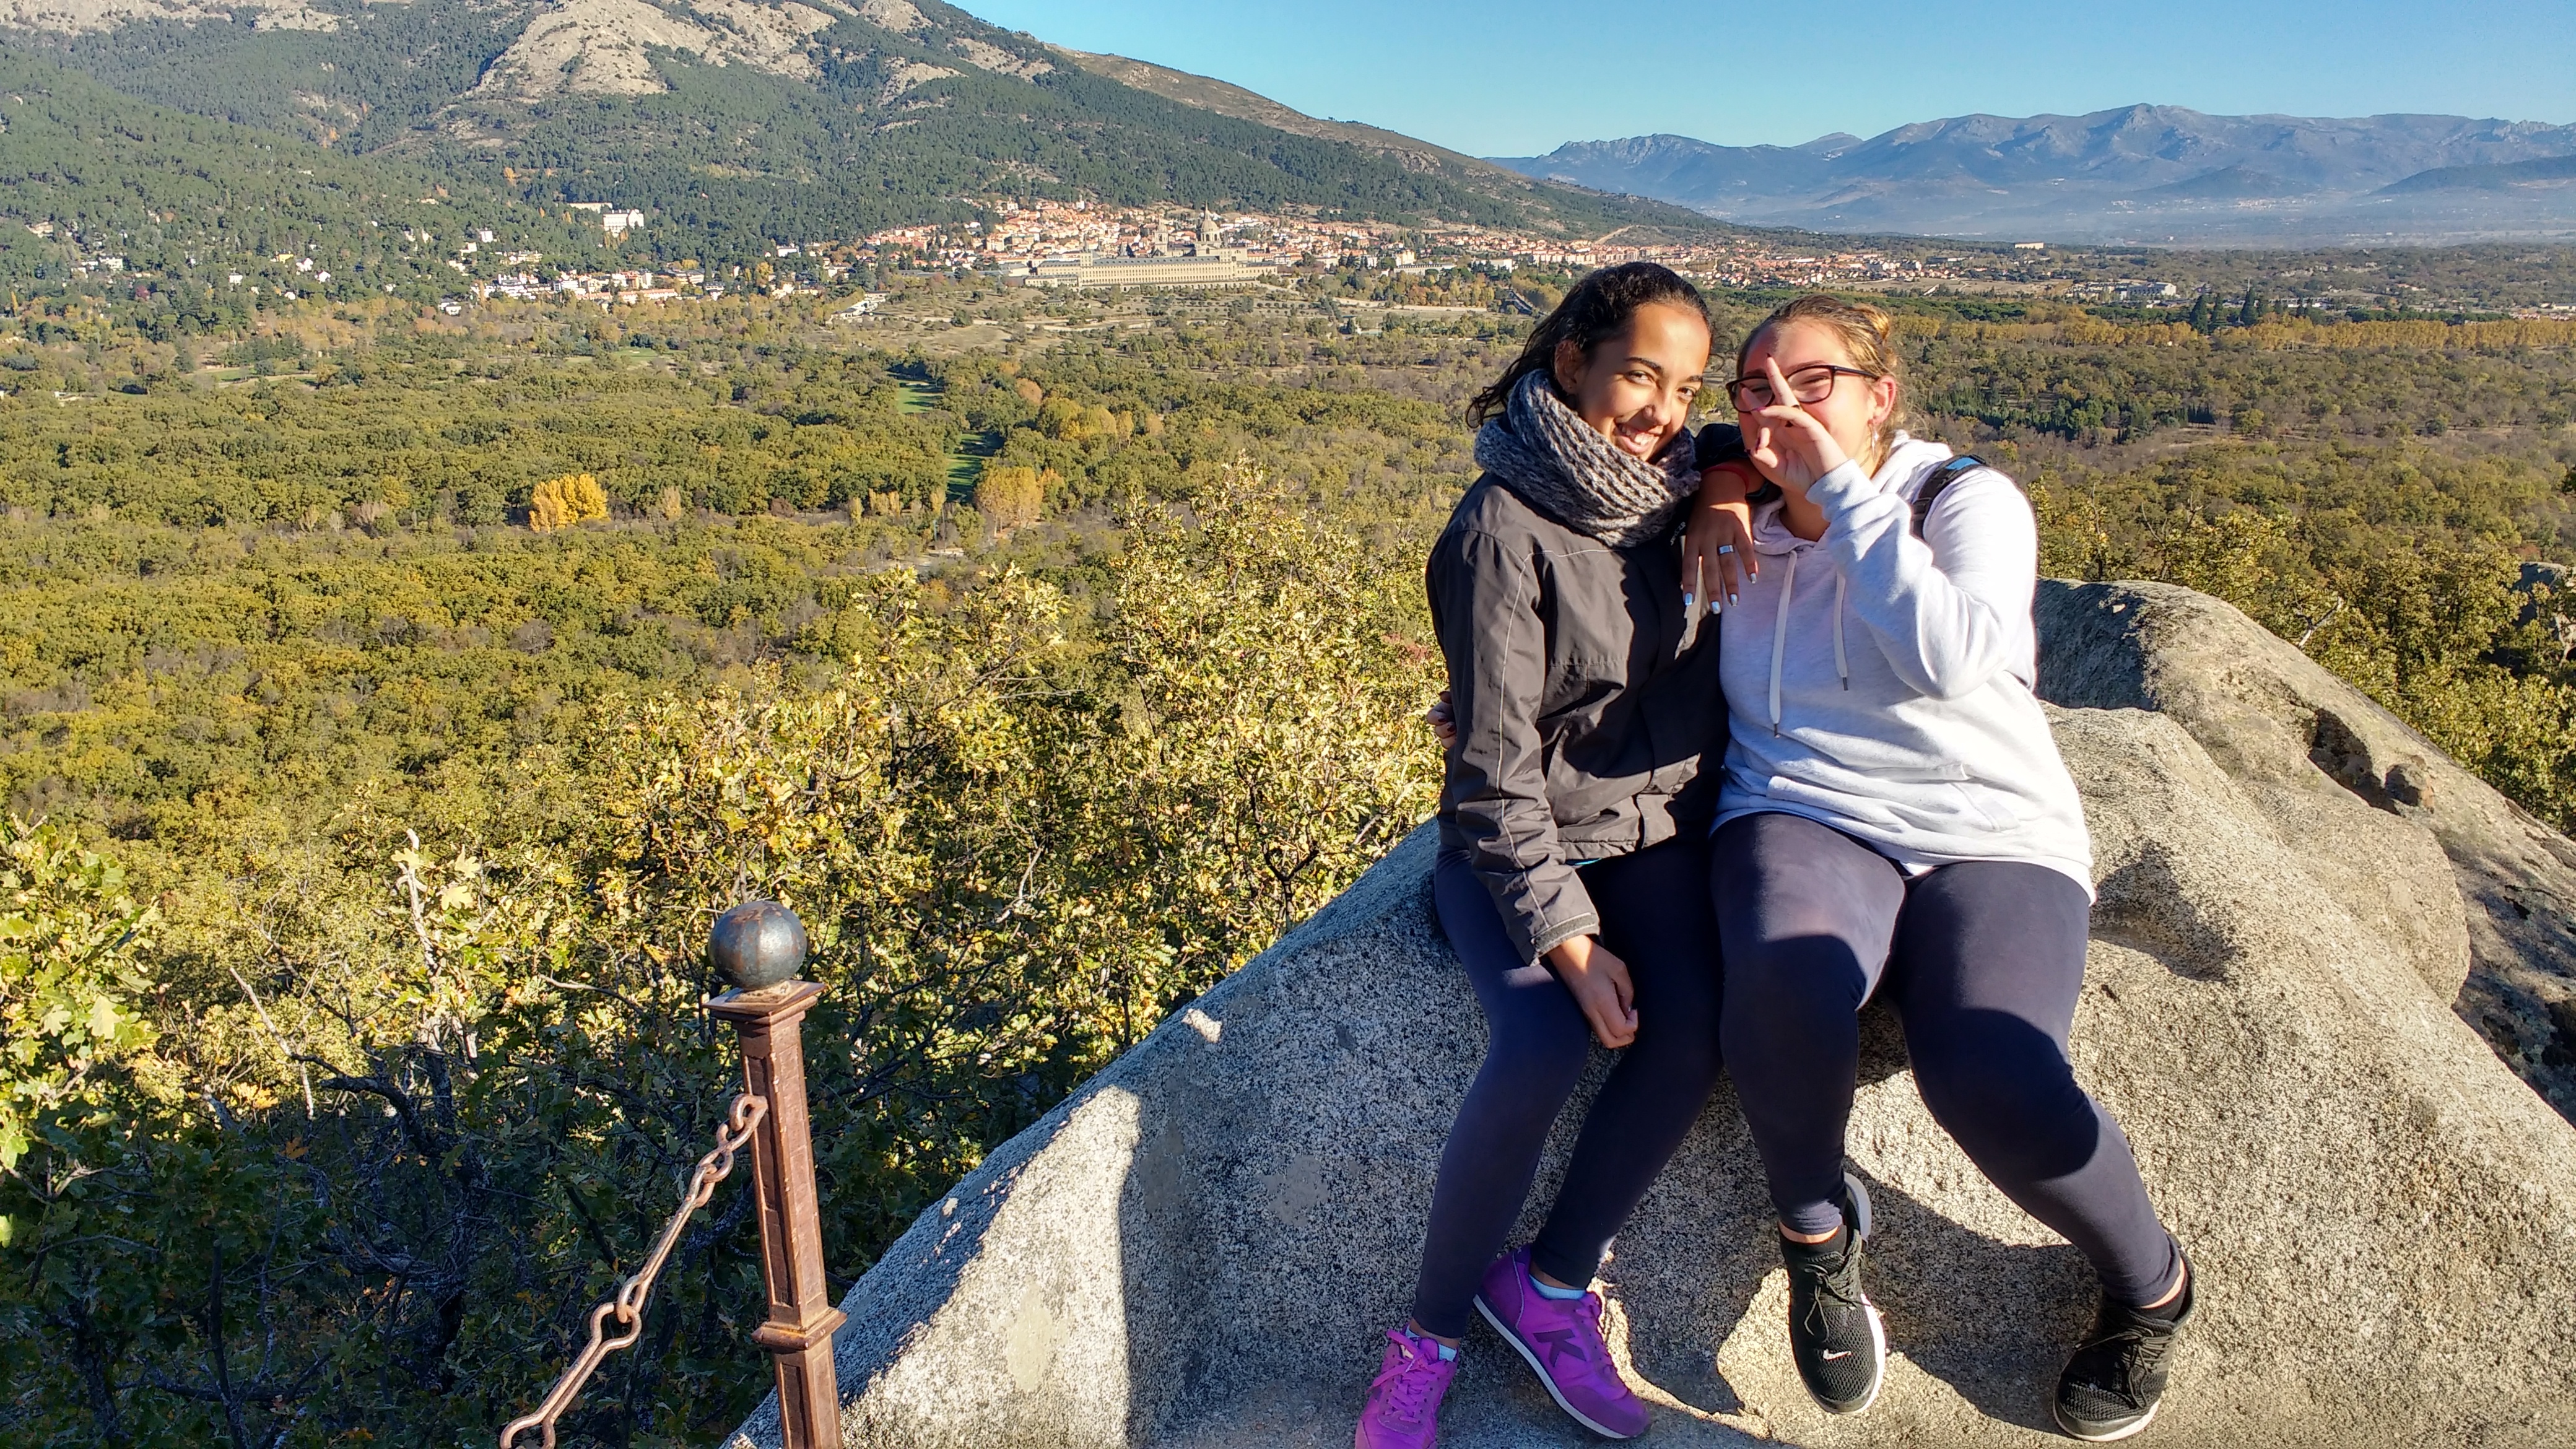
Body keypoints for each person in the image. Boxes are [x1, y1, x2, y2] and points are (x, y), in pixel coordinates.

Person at [1688, 294, 2194, 1442]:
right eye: (1757, 387)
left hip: (1987, 827)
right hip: (1804, 807)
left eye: (1812, 383)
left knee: (1991, 1077)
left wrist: (1844, 497)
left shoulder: (1961, 501)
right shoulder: (1729, 516)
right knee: (1778, 992)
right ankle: (1818, 1233)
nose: (1779, 407)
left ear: (1882, 397)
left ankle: (2152, 1285)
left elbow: (1952, 661)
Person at [1356, 263, 1739, 1449]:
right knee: (1543, 1039)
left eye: (1685, 389)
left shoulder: (1682, 486)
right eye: (1639, 376)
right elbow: (1492, 773)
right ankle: (1424, 1344)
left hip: (1652, 829)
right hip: (1519, 845)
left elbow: (1791, 447)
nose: (1662, 413)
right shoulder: (1498, 532)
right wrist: (1566, 937)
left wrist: (1728, 486)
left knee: (1696, 1026)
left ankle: (1552, 1284)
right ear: (1572, 362)